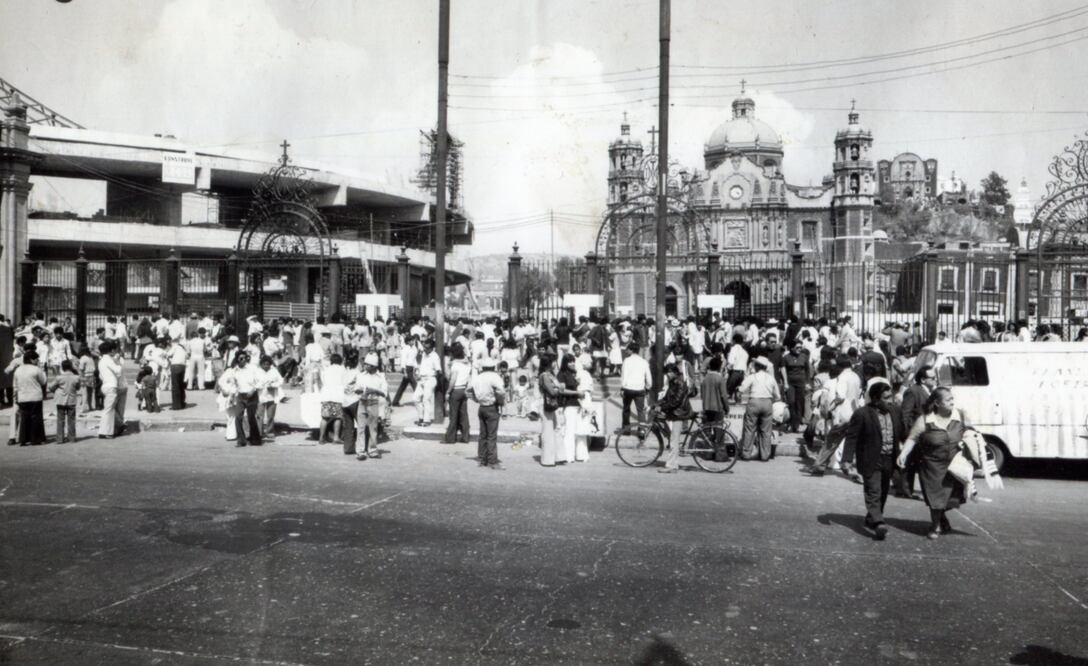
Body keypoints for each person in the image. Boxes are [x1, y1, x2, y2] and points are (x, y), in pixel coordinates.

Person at [897, 387, 970, 540]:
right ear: (937, 403)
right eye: (948, 400)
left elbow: (970, 434)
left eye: (952, 399)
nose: (952, 402)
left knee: (953, 498)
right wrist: (903, 454)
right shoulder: (925, 419)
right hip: (932, 465)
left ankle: (941, 516)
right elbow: (912, 438)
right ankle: (935, 525)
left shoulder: (961, 415)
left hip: (955, 464)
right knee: (936, 497)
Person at [845, 380, 905, 540]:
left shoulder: (896, 411)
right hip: (871, 458)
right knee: (873, 490)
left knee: (884, 491)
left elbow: (903, 433)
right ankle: (879, 522)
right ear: (876, 399)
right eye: (886, 398)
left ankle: (872, 517)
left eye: (890, 397)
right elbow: (851, 437)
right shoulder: (862, 413)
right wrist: (847, 459)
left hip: (889, 458)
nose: (890, 401)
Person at [895, 365, 936, 499]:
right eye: (932, 378)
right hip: (914, 434)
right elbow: (905, 414)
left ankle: (907, 490)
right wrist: (908, 435)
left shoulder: (928, 391)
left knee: (915, 463)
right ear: (923, 379)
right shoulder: (913, 391)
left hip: (924, 434)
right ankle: (905, 490)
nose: (935, 380)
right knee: (909, 463)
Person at [738, 357, 781, 461]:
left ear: (757, 366)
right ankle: (765, 455)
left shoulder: (752, 377)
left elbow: (742, 389)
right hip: (767, 403)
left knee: (749, 429)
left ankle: (746, 453)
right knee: (766, 430)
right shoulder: (771, 378)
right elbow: (778, 396)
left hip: (754, 402)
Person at [657, 362, 695, 473]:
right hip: (675, 412)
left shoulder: (679, 383)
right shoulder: (673, 382)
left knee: (674, 440)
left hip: (679, 413)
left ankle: (671, 466)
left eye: (669, 372)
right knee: (673, 438)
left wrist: (662, 407)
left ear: (674, 372)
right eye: (666, 372)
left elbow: (675, 401)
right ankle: (672, 463)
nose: (667, 375)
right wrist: (657, 405)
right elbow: (667, 398)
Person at [471, 357, 506, 469]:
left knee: (483, 435)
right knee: (491, 436)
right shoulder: (495, 377)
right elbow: (501, 391)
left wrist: (477, 399)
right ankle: (492, 461)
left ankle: (482, 459)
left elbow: (468, 391)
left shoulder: (477, 377)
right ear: (493, 367)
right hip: (492, 407)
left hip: (481, 407)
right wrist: (499, 401)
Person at [353, 353, 388, 460]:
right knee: (361, 427)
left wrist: (374, 390)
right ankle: (360, 451)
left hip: (374, 402)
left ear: (373, 366)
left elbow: (384, 393)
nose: (365, 366)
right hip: (362, 402)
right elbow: (356, 388)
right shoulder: (361, 375)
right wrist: (359, 390)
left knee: (373, 428)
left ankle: (372, 450)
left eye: (368, 364)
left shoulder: (381, 377)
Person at [14, 351, 48, 446]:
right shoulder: (36, 369)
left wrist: (16, 397)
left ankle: (23, 439)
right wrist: (43, 371)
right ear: (32, 359)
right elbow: (43, 381)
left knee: (24, 418)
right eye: (36, 359)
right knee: (36, 418)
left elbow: (15, 385)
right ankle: (35, 439)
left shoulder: (18, 370)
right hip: (35, 396)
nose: (38, 360)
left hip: (22, 397)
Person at [232, 352, 264, 447]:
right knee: (238, 417)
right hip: (241, 395)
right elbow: (233, 384)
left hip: (252, 395)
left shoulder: (253, 368)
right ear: (237, 359)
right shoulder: (235, 370)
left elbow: (260, 380)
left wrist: (253, 390)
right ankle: (241, 440)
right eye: (241, 358)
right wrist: (233, 394)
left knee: (251, 417)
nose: (243, 360)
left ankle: (255, 440)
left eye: (245, 358)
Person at [443, 344, 473, 444]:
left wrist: (448, 392)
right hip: (463, 389)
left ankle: (451, 438)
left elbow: (452, 380)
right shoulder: (467, 364)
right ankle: (465, 437)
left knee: (453, 415)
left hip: (455, 390)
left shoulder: (455, 365)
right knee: (464, 415)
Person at [98, 341, 127, 439]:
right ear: (111, 350)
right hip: (111, 386)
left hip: (105, 385)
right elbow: (118, 370)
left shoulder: (101, 360)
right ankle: (107, 432)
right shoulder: (108, 359)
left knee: (108, 409)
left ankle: (104, 430)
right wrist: (118, 362)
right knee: (109, 410)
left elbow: (101, 376)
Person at [556, 353, 582, 465]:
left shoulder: (574, 373)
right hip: (568, 404)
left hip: (577, 404)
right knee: (569, 432)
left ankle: (575, 455)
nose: (572, 363)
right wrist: (577, 392)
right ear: (565, 363)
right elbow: (562, 391)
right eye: (569, 361)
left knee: (576, 431)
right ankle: (567, 456)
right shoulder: (561, 374)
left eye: (573, 361)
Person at [620, 342, 652, 428]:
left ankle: (626, 428)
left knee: (626, 409)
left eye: (628, 349)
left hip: (628, 389)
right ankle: (641, 429)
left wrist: (622, 388)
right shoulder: (644, 362)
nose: (627, 351)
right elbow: (648, 377)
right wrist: (648, 387)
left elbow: (624, 376)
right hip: (640, 389)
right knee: (640, 410)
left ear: (631, 350)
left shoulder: (626, 361)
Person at [318, 353, 348, 445]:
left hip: (326, 395)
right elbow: (345, 382)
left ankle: (321, 438)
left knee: (324, 417)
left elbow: (322, 381)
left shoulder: (326, 370)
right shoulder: (343, 370)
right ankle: (336, 437)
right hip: (337, 395)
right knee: (337, 417)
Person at [414, 339, 441, 427]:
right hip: (421, 379)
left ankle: (427, 419)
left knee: (426, 399)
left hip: (430, 379)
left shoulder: (435, 356)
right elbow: (419, 366)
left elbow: (438, 370)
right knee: (416, 398)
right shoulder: (423, 355)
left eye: (426, 347)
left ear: (431, 347)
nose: (424, 349)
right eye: (424, 347)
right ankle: (421, 417)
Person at [257, 355, 283, 441]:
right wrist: (260, 386)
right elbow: (253, 383)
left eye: (268, 364)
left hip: (271, 396)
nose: (266, 366)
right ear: (261, 364)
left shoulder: (274, 371)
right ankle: (259, 432)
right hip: (260, 396)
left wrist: (273, 385)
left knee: (271, 416)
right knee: (259, 415)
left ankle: (269, 432)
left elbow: (280, 380)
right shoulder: (257, 371)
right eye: (264, 364)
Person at [167, 336, 188, 410]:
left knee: (175, 386)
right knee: (181, 385)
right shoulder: (184, 349)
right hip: (183, 367)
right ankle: (182, 402)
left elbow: (168, 354)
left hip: (175, 366)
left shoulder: (175, 346)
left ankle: (176, 405)